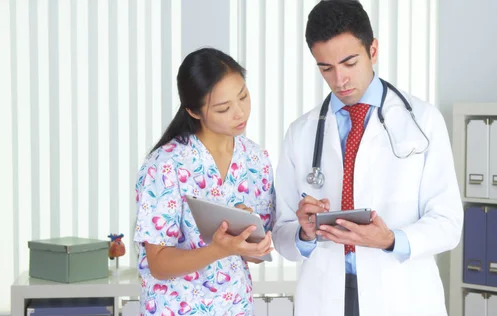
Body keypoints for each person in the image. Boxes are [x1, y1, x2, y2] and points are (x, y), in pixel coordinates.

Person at [272, 1, 463, 315]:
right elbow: (282, 234)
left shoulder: (424, 121)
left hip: (401, 294)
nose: (340, 80)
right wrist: (304, 233)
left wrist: (390, 239)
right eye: (326, 68)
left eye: (349, 62)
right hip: (326, 295)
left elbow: (448, 223)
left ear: (373, 50)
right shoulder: (301, 133)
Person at [133, 48, 275, 316]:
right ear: (194, 112)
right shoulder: (166, 164)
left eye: (243, 96)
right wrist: (218, 249)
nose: (239, 112)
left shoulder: (255, 159)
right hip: (174, 309)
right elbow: (159, 264)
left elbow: (257, 253)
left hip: (235, 307)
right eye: (223, 108)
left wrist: (246, 237)